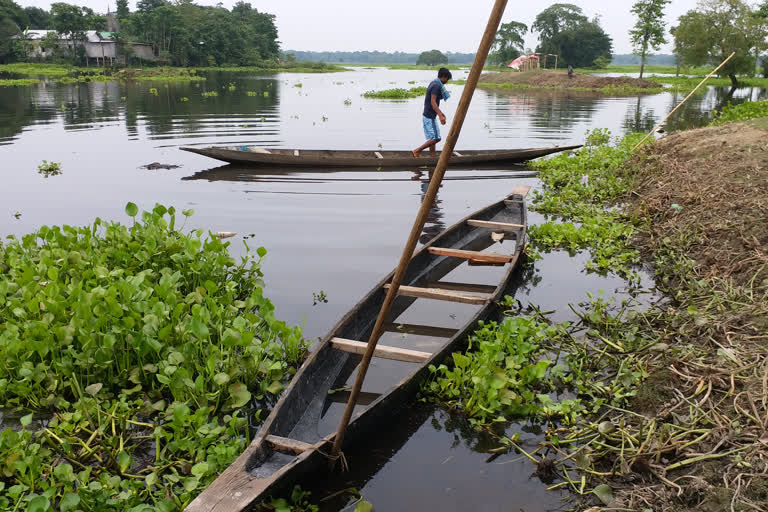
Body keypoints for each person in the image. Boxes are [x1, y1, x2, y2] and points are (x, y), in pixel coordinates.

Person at [412, 67, 452, 158]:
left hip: (429, 115)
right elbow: (433, 102)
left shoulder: (433, 83)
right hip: (429, 116)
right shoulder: (436, 86)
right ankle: (416, 151)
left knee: (432, 138)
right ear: (443, 77)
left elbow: (433, 102)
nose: (447, 81)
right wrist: (440, 115)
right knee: (436, 138)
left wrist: (440, 113)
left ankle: (432, 157)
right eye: (447, 79)